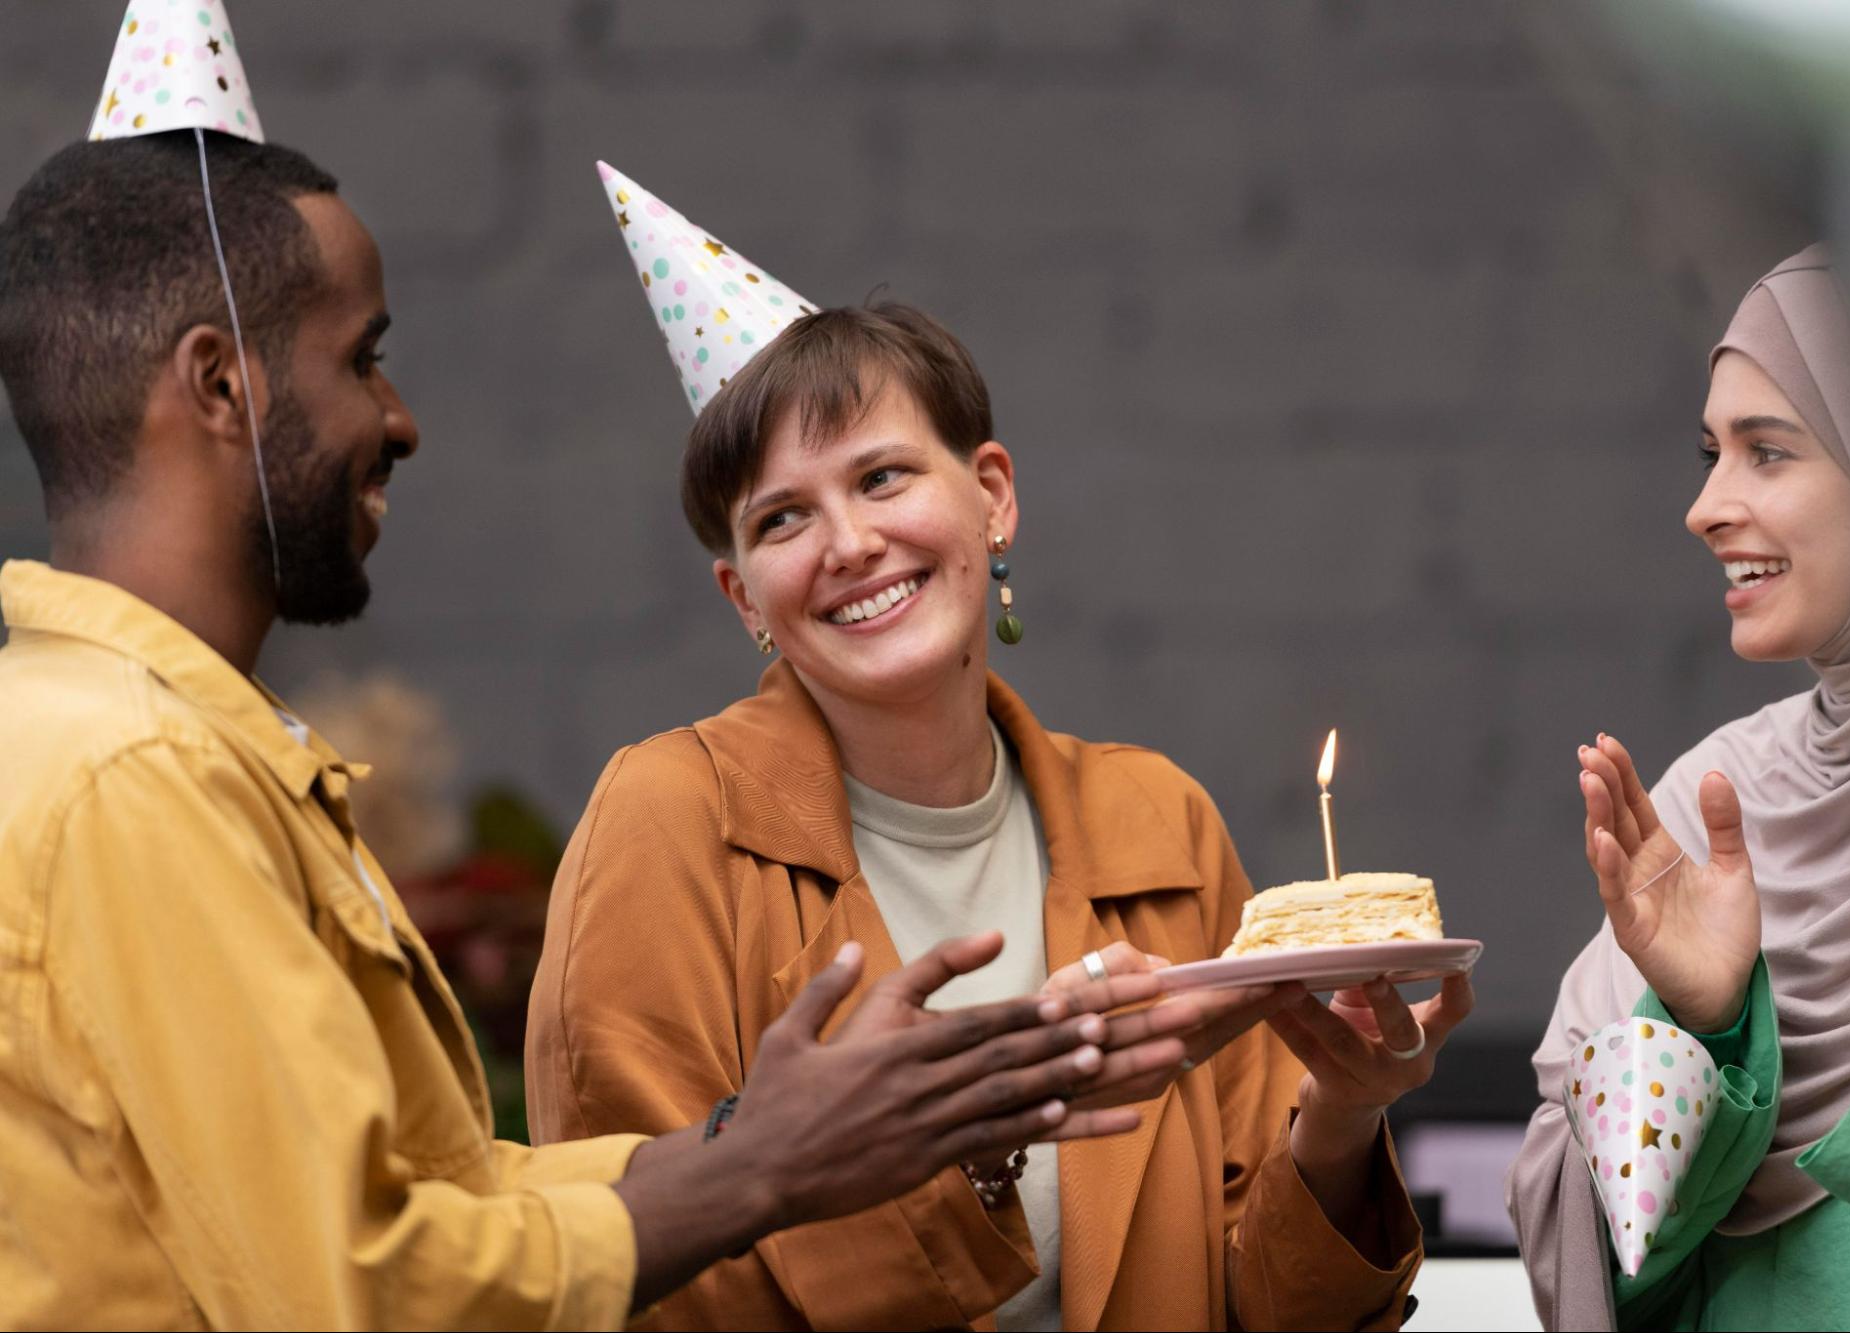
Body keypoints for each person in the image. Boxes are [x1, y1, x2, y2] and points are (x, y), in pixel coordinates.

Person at [0, 131, 1165, 1330]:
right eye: (363, 359)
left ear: (992, 495)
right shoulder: (132, 773)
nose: (399, 420)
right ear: (219, 386)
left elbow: (437, 1199)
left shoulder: (131, 741)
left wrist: (764, 1141)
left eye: (882, 478)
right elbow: (366, 1290)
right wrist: (763, 1165)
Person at [525, 280, 1475, 1330]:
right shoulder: (666, 821)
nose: (848, 543)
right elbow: (636, 1279)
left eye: (880, 477)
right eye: (782, 517)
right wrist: (990, 1128)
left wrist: (1341, 1112)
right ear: (744, 594)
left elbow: (1272, 1308)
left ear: (991, 496)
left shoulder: (1159, 819)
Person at [1506, 246, 1850, 1329]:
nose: (1705, 507)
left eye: (1768, 451)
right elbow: (1603, 1255)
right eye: (1711, 453)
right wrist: (1699, 1030)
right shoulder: (1713, 804)